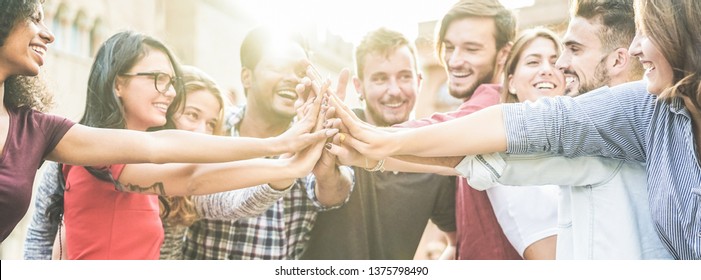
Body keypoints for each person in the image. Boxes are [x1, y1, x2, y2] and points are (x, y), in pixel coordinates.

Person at [328, 0, 701, 260]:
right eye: (537, 61)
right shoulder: (640, 114)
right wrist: (373, 146)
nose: (557, 66)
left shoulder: (633, 115)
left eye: (568, 51)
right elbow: (505, 145)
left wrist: (376, 144)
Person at [0, 0, 334, 243]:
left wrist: (287, 162)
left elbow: (174, 162)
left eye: (173, 81)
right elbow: (40, 239)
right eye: (158, 78)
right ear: (118, 82)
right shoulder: (85, 156)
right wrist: (281, 149)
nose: (170, 92)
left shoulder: (39, 129)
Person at [456, 0, 672, 260]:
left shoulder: (616, 137)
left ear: (618, 60)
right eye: (533, 62)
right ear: (510, 82)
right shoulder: (658, 123)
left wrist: (395, 144)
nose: (557, 66)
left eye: (574, 50)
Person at [182, 26, 354, 260]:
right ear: (247, 76)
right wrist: (286, 166)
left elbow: (336, 194)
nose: (293, 78)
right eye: (277, 67)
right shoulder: (213, 129)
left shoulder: (313, 137)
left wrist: (326, 171)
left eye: (299, 71)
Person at [300, 28, 457, 260]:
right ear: (359, 86)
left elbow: (456, 242)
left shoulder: (433, 157)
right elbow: (327, 193)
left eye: (404, 76)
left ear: (419, 81)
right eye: (380, 78)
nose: (394, 91)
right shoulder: (336, 128)